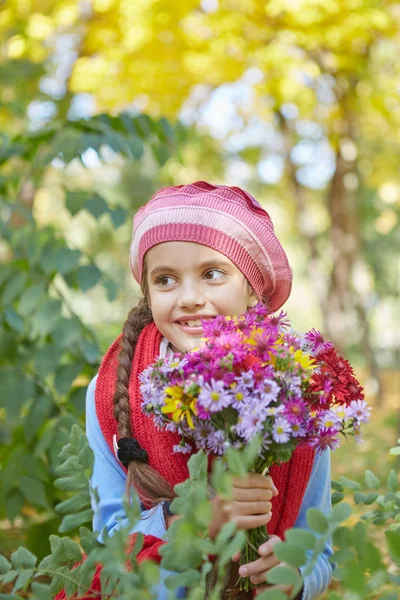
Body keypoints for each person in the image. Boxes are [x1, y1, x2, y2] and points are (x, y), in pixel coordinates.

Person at [57, 181, 334, 600]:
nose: (189, 298)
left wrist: (296, 576)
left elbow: (319, 550)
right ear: (148, 293)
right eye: (166, 279)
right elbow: (109, 548)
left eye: (212, 274)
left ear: (252, 288)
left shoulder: (294, 391)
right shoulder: (113, 391)